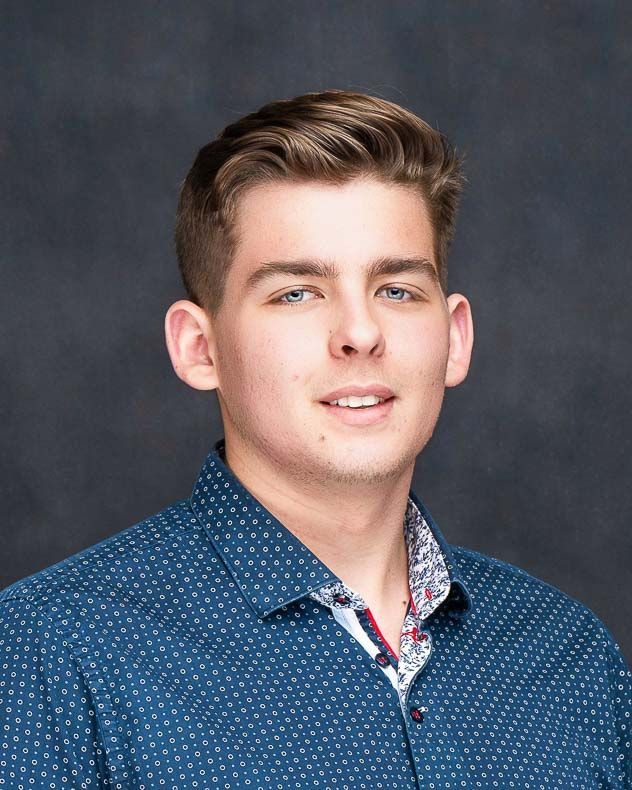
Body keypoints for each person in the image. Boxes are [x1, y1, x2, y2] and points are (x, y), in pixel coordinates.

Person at [0, 90, 629, 789]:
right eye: (296, 292)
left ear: (454, 340)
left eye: (397, 289)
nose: (360, 333)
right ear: (199, 348)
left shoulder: (570, 657)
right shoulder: (48, 654)